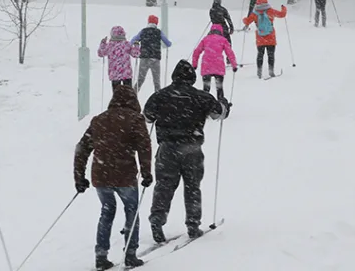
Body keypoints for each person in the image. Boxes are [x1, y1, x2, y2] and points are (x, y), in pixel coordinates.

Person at [144, 60, 229, 243]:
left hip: (167, 148)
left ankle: (157, 219)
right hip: (192, 147)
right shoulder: (200, 97)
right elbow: (218, 114)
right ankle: (193, 224)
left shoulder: (160, 96)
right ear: (191, 78)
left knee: (164, 185)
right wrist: (223, 104)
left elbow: (148, 117)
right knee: (192, 187)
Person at [74, 85, 153, 270]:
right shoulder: (135, 119)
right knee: (131, 211)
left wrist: (79, 177)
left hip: (101, 175)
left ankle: (101, 256)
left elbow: (82, 149)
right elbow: (144, 147)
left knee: (107, 211)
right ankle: (130, 254)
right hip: (124, 175)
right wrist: (146, 172)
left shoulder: (99, 120)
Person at [242, 0, 287, 79]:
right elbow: (282, 14)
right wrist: (284, 8)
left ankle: (259, 72)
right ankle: (271, 71)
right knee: (271, 55)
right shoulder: (270, 11)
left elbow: (247, 21)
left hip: (260, 38)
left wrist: (244, 19)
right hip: (271, 38)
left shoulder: (255, 13)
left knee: (260, 55)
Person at [192, 24, 237, 101]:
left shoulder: (205, 39)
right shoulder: (223, 40)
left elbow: (196, 52)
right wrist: (234, 65)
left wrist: (194, 64)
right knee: (219, 88)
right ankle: (221, 104)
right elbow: (230, 53)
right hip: (218, 66)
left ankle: (204, 104)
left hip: (207, 66)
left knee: (206, 89)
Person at [130, 15, 172, 95]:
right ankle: (158, 97)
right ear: (156, 22)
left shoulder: (143, 31)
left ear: (148, 22)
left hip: (144, 58)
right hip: (155, 59)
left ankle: (133, 94)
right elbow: (167, 43)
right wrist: (169, 43)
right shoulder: (158, 32)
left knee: (140, 79)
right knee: (156, 81)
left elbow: (133, 40)